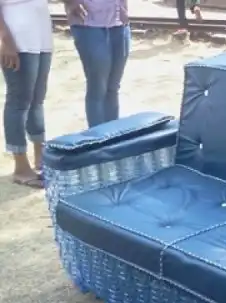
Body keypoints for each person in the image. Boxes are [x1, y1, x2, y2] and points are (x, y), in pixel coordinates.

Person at [0, 0, 52, 188]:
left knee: (37, 99)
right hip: (17, 37)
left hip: (41, 33)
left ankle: (41, 156)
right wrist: (4, 39)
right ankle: (21, 167)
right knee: (19, 101)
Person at [64, 0, 130, 128]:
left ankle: (113, 135)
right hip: (88, 23)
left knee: (112, 88)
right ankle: (99, 137)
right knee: (98, 87)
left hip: (119, 22)